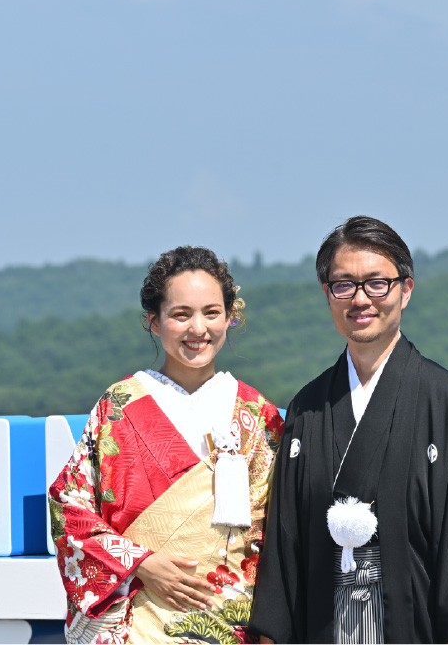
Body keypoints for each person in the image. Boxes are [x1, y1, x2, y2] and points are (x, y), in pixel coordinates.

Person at [250, 216, 448, 644]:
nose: (361, 299)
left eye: (377, 283)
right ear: (327, 295)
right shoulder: (308, 410)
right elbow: (284, 554)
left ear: (406, 289)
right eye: (343, 284)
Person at [49, 246, 284, 644]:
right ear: (153, 323)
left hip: (229, 622)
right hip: (138, 620)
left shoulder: (257, 414)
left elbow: (281, 529)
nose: (198, 328)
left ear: (231, 317)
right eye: (181, 314)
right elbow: (68, 508)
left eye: (212, 312)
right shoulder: (119, 407)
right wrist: (140, 562)